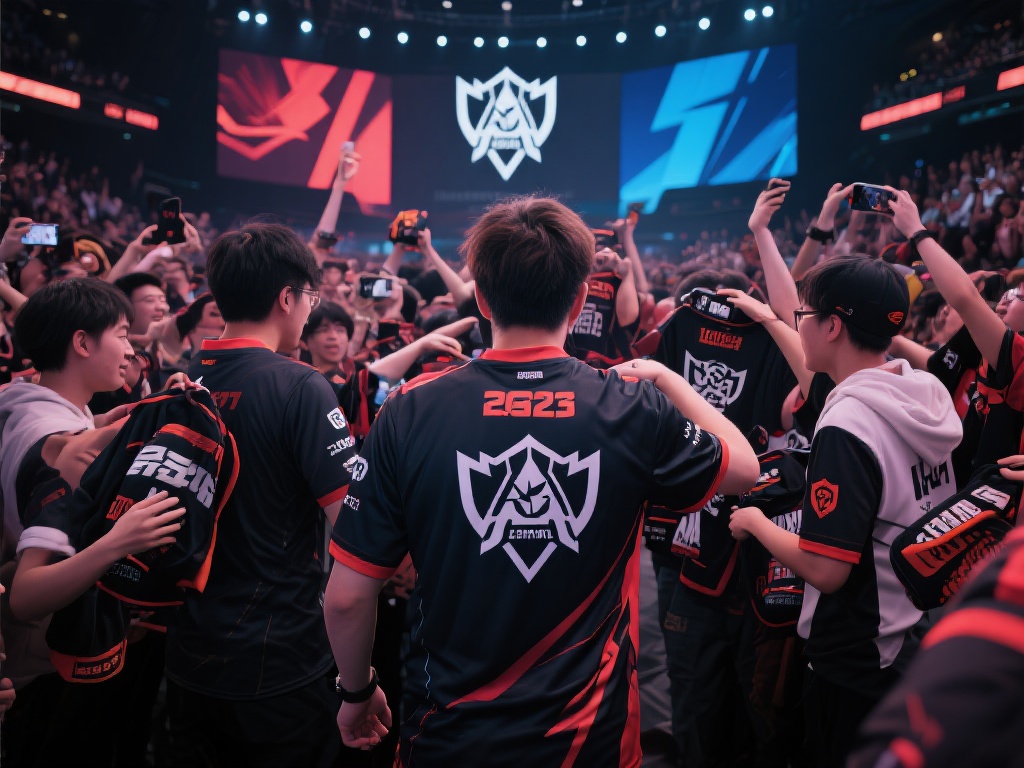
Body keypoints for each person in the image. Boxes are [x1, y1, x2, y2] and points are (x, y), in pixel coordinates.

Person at [323, 195, 759, 766]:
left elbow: (347, 598)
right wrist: (664, 379)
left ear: (482, 299)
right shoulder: (629, 406)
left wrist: (356, 693)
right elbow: (745, 468)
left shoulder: (410, 407)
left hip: (448, 735)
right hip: (589, 741)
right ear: (579, 299)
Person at [729, 255, 963, 767]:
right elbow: (823, 384)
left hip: (858, 655)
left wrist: (756, 523)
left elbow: (827, 569)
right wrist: (769, 318)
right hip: (913, 630)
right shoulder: (921, 391)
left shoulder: (849, 425)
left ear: (833, 326)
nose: (799, 325)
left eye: (803, 315)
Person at [164, 222, 359, 768]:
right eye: (311, 298)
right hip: (278, 658)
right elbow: (354, 524)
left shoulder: (186, 377)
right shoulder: (300, 385)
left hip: (189, 651)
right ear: (287, 298)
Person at [0, 278, 165, 766]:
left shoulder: (18, 399)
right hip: (45, 660)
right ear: (82, 342)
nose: (131, 349)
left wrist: (97, 424)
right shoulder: (66, 452)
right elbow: (28, 594)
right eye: (122, 333)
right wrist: (117, 543)